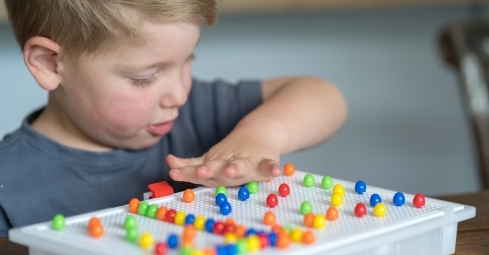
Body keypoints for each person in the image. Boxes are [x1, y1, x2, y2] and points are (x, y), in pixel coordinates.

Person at [0, 0, 347, 237]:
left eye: (187, 60)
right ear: (49, 63)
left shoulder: (198, 110)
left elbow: (323, 97)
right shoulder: (10, 187)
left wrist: (262, 134)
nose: (179, 94)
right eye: (145, 77)